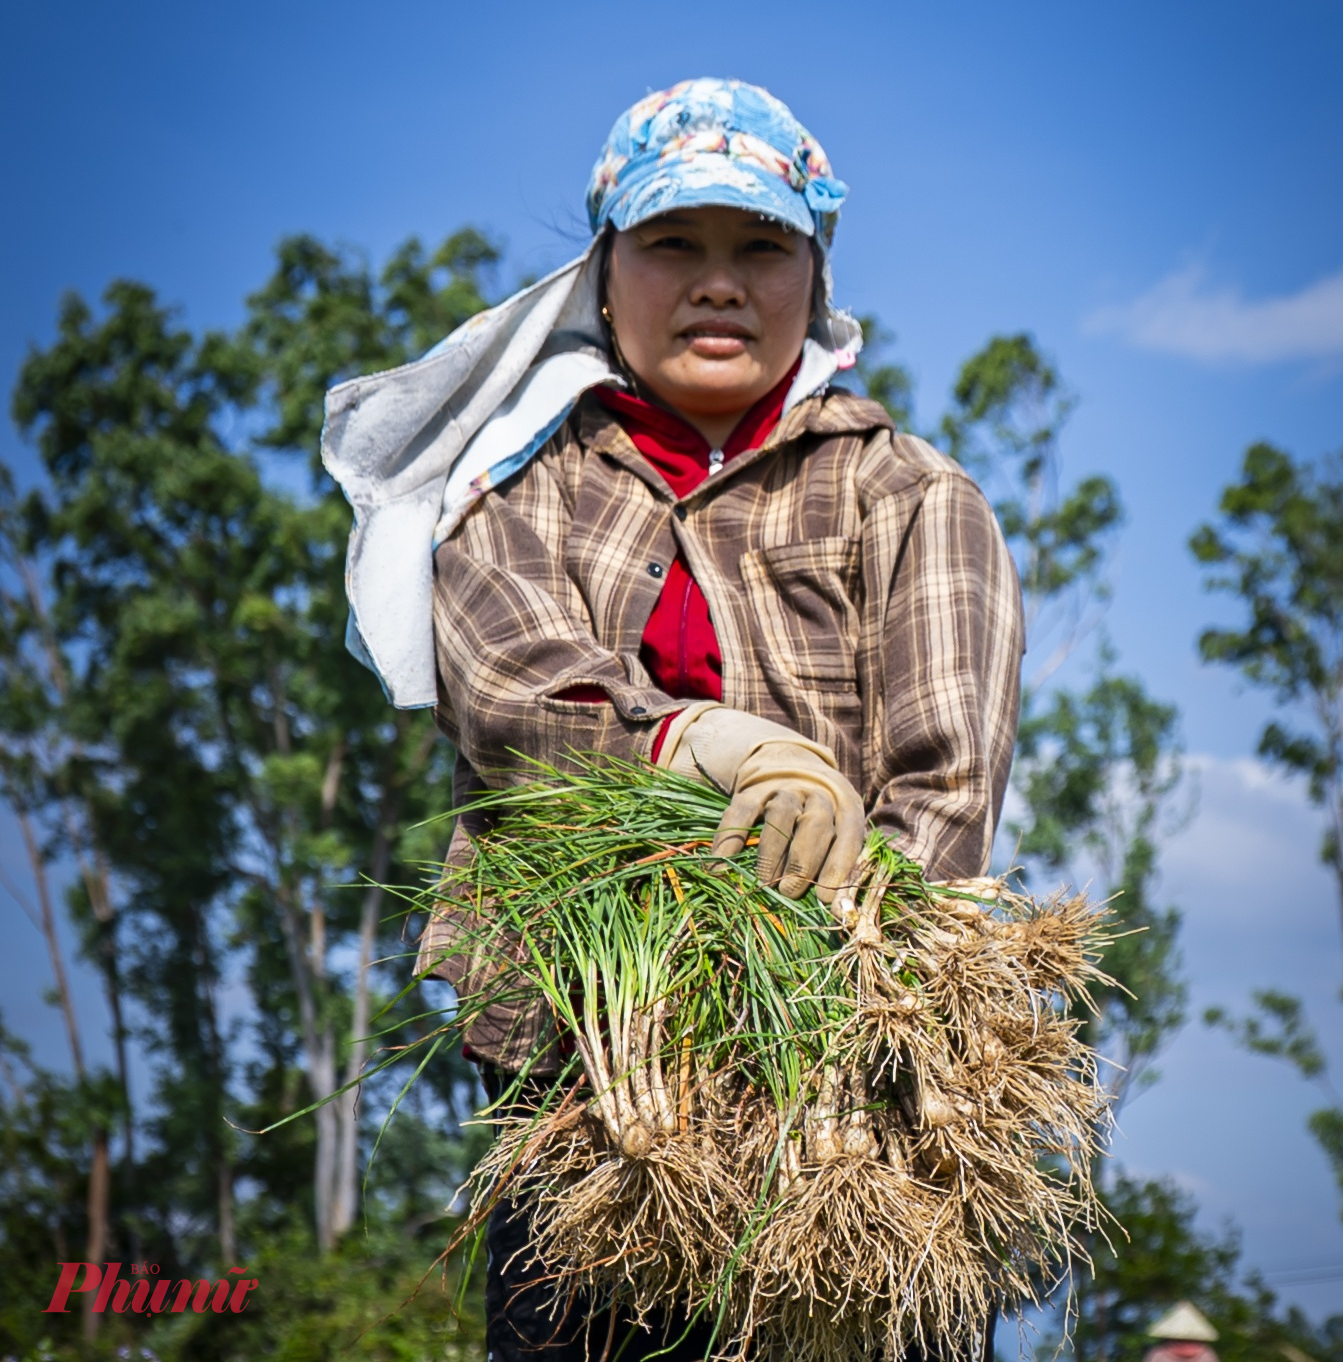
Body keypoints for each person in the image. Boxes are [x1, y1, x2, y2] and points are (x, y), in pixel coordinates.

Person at [323, 76, 1023, 1362]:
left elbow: (946, 784)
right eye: (672, 246)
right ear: (602, 271)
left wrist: (825, 960)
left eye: (761, 247)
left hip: (851, 1116)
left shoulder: (912, 497)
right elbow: (516, 701)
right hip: (587, 1100)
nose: (717, 282)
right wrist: (716, 745)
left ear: (814, 276)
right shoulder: (503, 495)